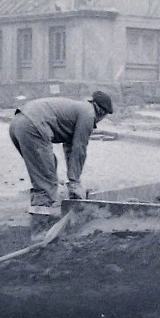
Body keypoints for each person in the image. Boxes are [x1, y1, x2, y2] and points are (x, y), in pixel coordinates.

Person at [9, 91, 113, 228]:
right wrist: (74, 182)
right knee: (46, 180)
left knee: (50, 165)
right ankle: (40, 228)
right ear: (101, 112)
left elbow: (70, 148)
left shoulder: (79, 109)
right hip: (33, 126)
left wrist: (72, 180)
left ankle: (44, 212)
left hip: (18, 122)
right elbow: (79, 149)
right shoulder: (88, 115)